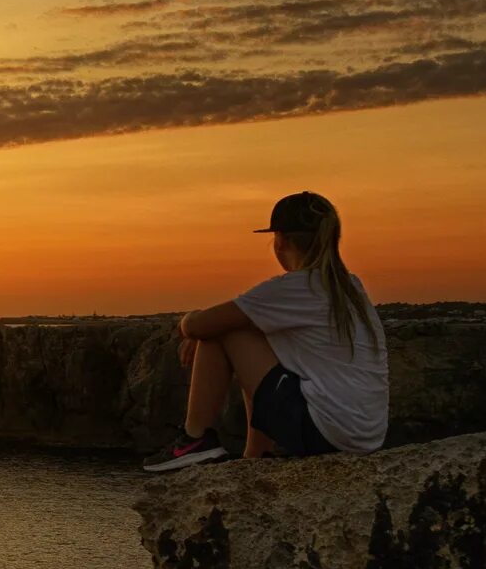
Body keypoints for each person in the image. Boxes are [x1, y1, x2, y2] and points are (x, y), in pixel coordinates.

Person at [143, 191, 387, 472]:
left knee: (224, 332)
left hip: (327, 434)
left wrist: (190, 327)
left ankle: (195, 439)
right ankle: (257, 455)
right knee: (247, 330)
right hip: (365, 435)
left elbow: (199, 325)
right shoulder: (350, 287)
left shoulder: (294, 287)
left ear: (280, 241)